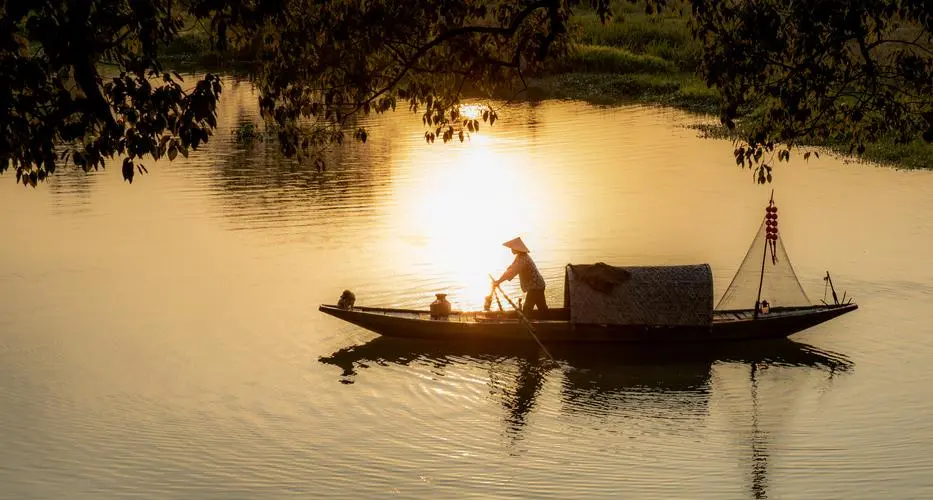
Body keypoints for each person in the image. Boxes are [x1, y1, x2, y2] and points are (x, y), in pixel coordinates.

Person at [493, 237, 548, 316]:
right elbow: (511, 268)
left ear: (517, 248)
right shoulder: (520, 256)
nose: (511, 249)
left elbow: (510, 272)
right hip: (538, 285)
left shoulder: (523, 259)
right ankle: (546, 321)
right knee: (542, 308)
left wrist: (498, 281)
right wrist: (499, 280)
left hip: (535, 287)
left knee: (527, 309)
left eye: (512, 248)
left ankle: (531, 326)